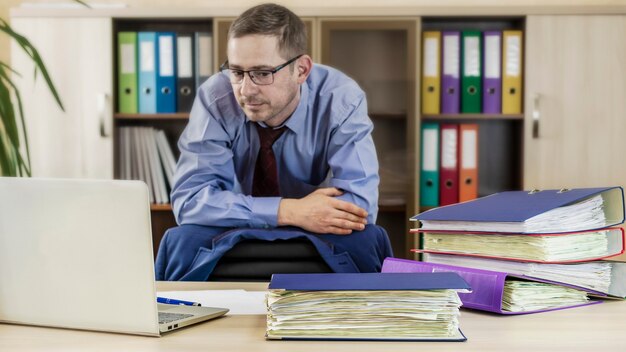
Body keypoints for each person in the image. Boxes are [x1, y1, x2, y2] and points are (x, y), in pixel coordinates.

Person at [155, 3, 392, 280]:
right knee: (181, 240)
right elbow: (190, 200)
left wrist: (297, 215)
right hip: (234, 234)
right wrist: (288, 211)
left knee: (366, 239)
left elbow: (359, 206)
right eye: (237, 72)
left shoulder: (341, 99)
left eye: (262, 73)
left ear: (301, 70)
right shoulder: (216, 98)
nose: (246, 90)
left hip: (307, 236)